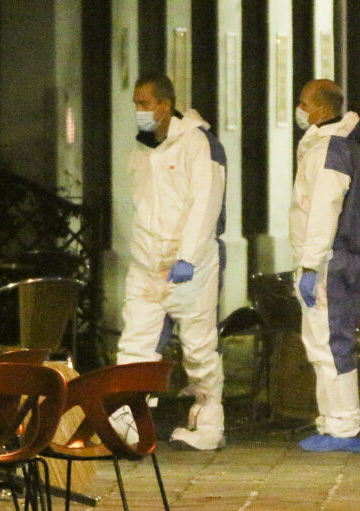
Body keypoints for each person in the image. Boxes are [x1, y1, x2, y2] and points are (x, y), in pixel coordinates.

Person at [114, 73, 227, 451]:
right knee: (135, 344)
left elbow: (205, 203)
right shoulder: (142, 149)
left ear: (165, 105)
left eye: (144, 103)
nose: (139, 111)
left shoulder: (197, 145)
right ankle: (126, 422)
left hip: (188, 267)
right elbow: (140, 204)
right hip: (147, 264)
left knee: (198, 347)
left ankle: (208, 423)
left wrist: (188, 257)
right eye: (136, 103)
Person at [289, 79, 360, 453]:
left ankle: (342, 425)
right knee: (324, 343)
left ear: (322, 111)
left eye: (304, 104)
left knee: (330, 344)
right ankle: (332, 421)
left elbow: (324, 210)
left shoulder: (330, 151)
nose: (300, 110)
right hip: (338, 258)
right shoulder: (342, 149)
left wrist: (310, 265)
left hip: (329, 261)